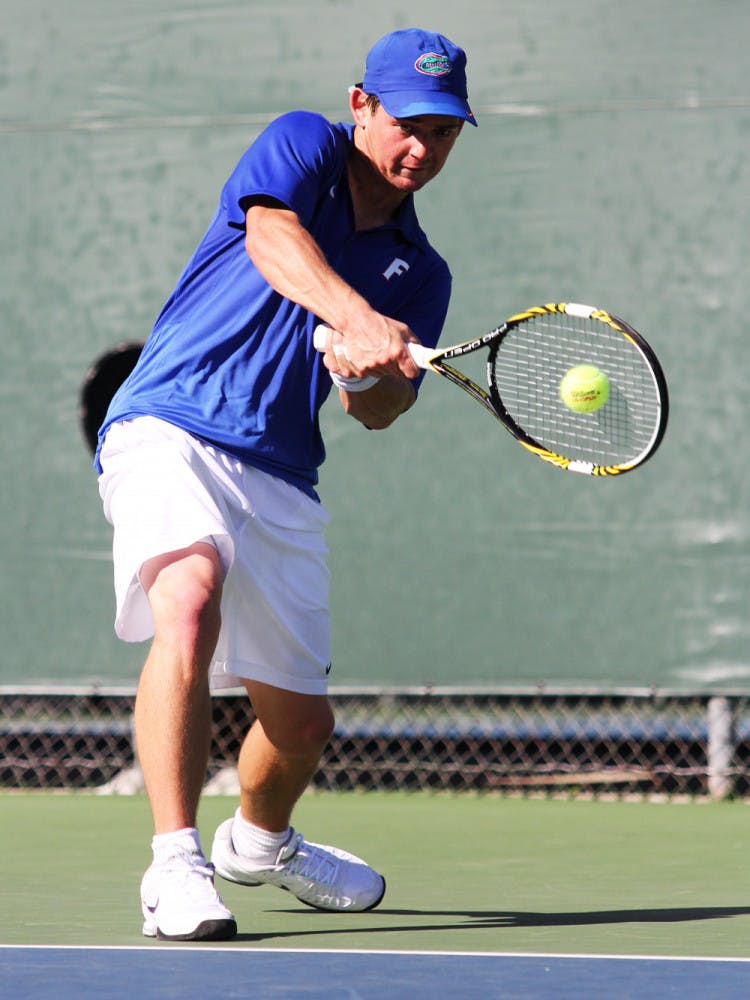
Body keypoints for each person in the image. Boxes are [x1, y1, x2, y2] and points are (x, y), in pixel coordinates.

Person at [95, 27, 476, 941]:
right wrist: (352, 312)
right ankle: (174, 865)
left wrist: (359, 371)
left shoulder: (423, 273)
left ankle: (260, 844)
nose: (420, 147)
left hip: (280, 470)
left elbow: (380, 412)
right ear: (362, 107)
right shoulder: (303, 144)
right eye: (407, 123)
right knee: (187, 597)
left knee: (302, 726)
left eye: (445, 130)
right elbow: (271, 235)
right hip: (170, 423)